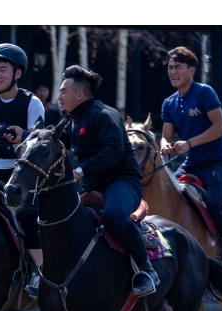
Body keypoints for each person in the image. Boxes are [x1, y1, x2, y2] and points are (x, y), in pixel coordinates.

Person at [58, 65, 159, 297]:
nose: (59, 96)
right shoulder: (72, 120)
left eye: (64, 91)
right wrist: (24, 136)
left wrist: (80, 171)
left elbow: (113, 150)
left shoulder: (104, 114)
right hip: (93, 186)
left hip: (123, 182)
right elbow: (51, 140)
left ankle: (147, 270)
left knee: (113, 215)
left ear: (80, 95)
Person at [159, 47, 222, 269]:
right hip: (191, 164)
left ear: (192, 70)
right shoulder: (169, 103)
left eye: (178, 67)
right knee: (169, 195)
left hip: (217, 162)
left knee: (215, 202)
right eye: (170, 67)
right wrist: (166, 146)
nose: (173, 72)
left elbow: (221, 128)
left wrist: (189, 144)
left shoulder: (205, 92)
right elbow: (165, 137)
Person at [0, 43, 45, 297]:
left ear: (17, 73)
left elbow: (38, 140)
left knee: (27, 214)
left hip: (22, 174)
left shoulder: (32, 102)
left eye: (2, 70)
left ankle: (40, 273)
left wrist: (22, 137)